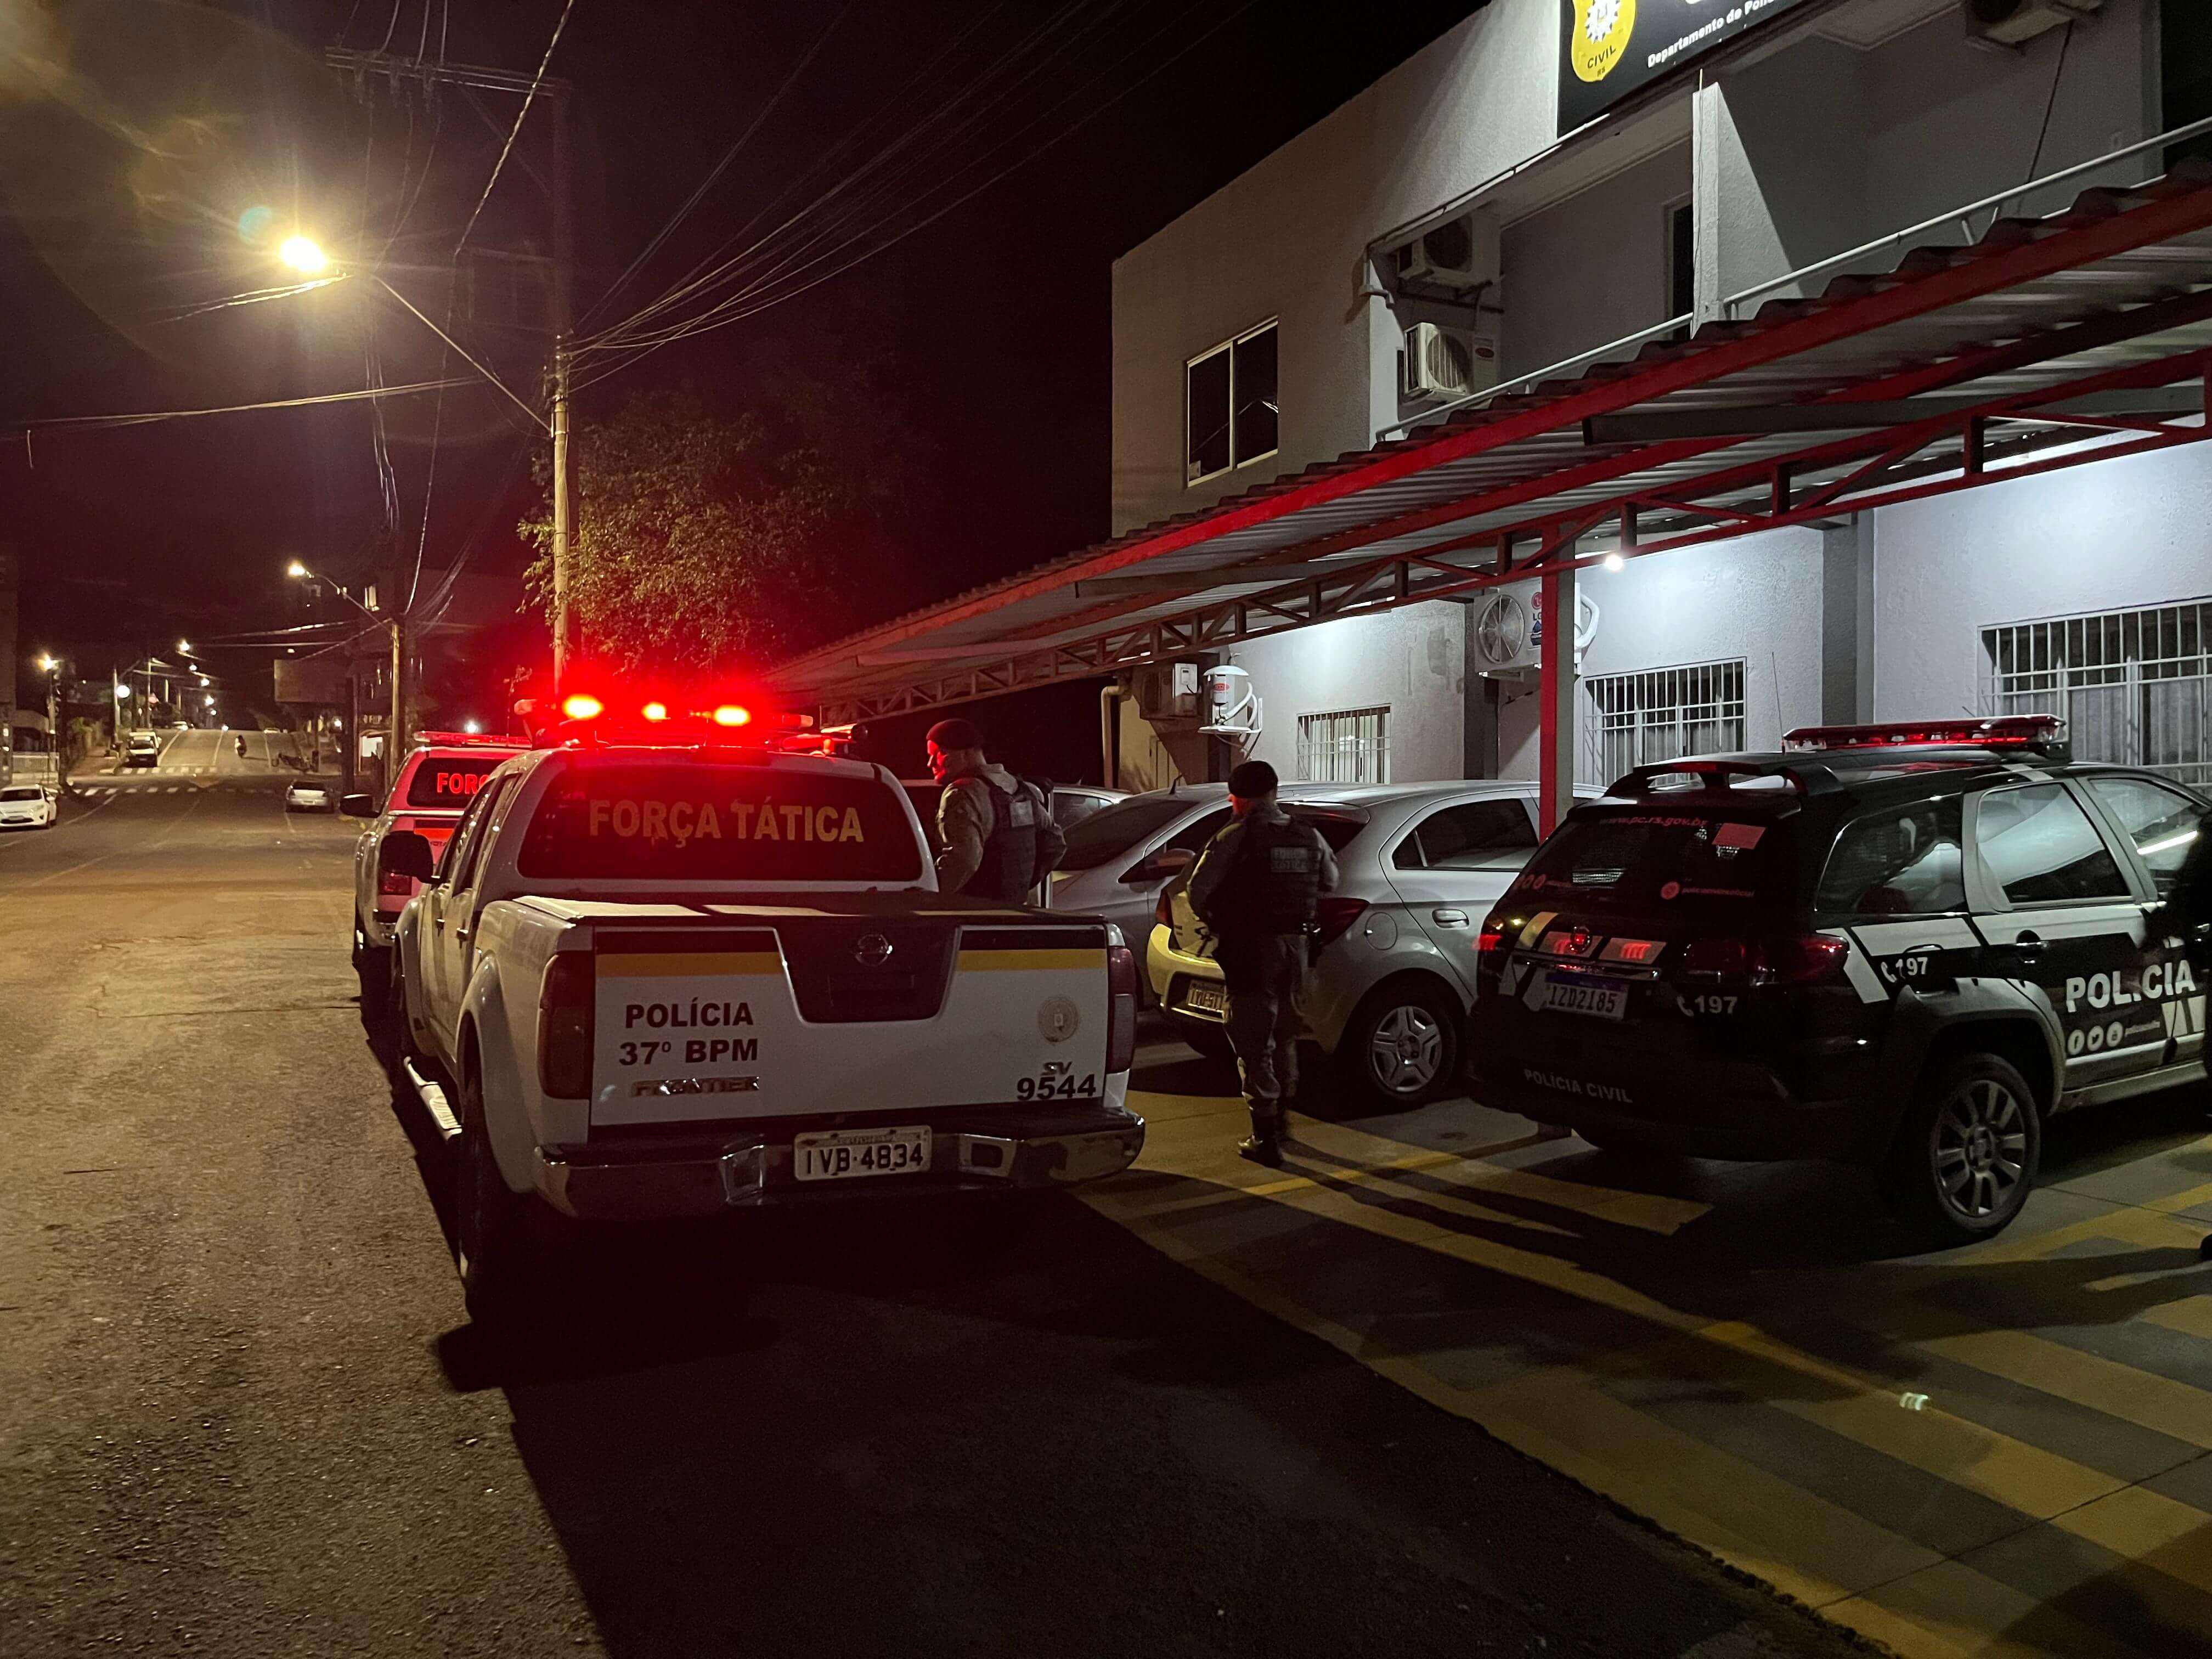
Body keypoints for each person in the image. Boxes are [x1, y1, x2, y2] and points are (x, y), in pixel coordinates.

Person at [1186, 759, 1339, 1166]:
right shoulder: (1307, 834)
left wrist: (1222, 921)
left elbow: (1198, 891)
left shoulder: (1235, 835)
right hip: (1298, 950)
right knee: (1286, 1035)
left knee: (1254, 1043)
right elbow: (1331, 881)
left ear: (1238, 799)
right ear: (1274, 792)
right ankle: (1283, 1120)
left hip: (1252, 951)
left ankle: (1265, 1136)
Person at [926, 716, 1065, 902]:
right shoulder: (1019, 788)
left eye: (939, 754)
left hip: (973, 911)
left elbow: (964, 860)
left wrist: (929, 895)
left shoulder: (961, 793)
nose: (931, 763)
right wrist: (1022, 884)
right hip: (1013, 910)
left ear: (965, 754)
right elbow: (1055, 844)